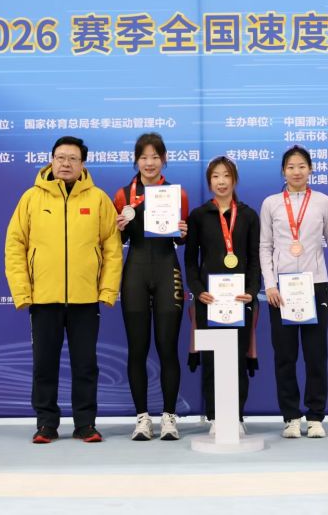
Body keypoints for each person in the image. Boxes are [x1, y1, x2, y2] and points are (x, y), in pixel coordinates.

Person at [5, 135, 123, 444]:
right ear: (51, 161)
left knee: (86, 365)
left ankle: (85, 424)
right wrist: (22, 291)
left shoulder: (98, 199)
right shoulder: (31, 198)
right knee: (44, 365)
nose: (66, 163)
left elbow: (112, 247)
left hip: (85, 299)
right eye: (60, 157)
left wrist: (107, 290)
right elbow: (15, 246)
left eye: (72, 158)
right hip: (44, 298)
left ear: (83, 164)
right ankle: (46, 424)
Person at [259, 145, 328, 439]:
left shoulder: (322, 201)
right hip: (281, 289)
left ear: (310, 169)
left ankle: (315, 417)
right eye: (290, 167)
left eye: (301, 166)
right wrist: (269, 284)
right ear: (283, 171)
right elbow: (265, 247)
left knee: (315, 355)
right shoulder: (271, 203)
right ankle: (290, 417)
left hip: (315, 286)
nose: (296, 172)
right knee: (284, 356)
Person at [113, 132, 190, 441]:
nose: (149, 163)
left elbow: (180, 240)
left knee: (167, 347)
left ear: (164, 159)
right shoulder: (122, 194)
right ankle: (142, 418)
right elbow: (118, 239)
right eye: (143, 157)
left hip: (167, 269)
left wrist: (183, 232)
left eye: (155, 157)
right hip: (135, 271)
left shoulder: (177, 195)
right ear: (136, 160)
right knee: (137, 349)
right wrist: (119, 228)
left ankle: (169, 417)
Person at [184, 156, 260, 434]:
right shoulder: (199, 216)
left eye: (226, 175)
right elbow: (190, 260)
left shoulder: (249, 216)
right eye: (215, 176)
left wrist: (251, 291)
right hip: (210, 300)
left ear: (234, 180)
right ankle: (215, 416)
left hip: (240, 300)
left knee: (238, 359)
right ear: (209, 182)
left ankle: (236, 416)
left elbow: (254, 259)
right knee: (212, 360)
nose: (221, 181)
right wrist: (198, 290)